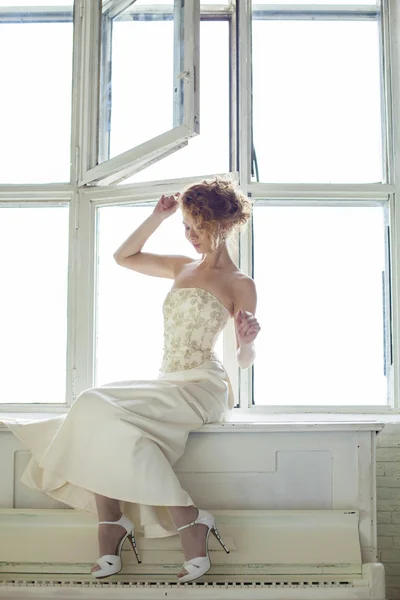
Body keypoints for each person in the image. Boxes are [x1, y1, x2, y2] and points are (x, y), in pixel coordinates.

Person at [0, 177, 261, 583]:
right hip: (165, 381)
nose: (190, 235)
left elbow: (244, 362)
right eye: (186, 226)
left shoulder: (240, 284)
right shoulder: (181, 266)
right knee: (96, 408)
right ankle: (174, 519)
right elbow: (125, 256)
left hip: (201, 386)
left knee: (97, 409)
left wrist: (246, 342)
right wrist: (158, 216)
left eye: (198, 226)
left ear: (222, 225)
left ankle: (121, 521)